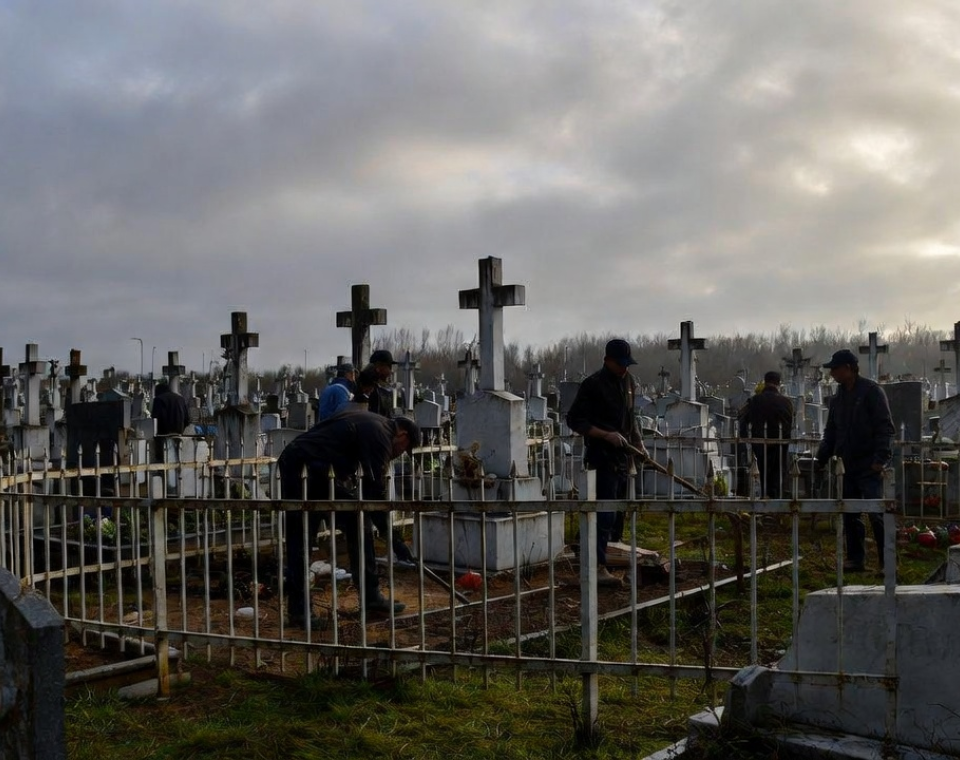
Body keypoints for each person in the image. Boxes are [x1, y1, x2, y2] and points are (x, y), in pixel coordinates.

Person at [277, 409, 421, 625]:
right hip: (302, 466)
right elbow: (375, 492)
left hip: (320, 469)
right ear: (403, 436)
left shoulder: (376, 427)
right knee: (302, 536)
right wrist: (394, 538)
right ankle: (299, 612)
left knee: (357, 520)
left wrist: (390, 535)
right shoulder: (380, 434)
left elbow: (370, 492)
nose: (398, 454)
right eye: (403, 450)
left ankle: (371, 596)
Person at [565, 339, 647, 587]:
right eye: (620, 364)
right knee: (604, 513)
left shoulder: (629, 382)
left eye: (627, 364)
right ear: (607, 361)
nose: (624, 369)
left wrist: (639, 444)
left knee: (617, 514)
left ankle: (605, 555)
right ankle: (596, 566)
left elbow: (631, 419)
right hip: (602, 457)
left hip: (624, 457)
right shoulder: (593, 385)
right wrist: (605, 435)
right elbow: (574, 420)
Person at [816, 349, 895, 572]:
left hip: (869, 462)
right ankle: (855, 558)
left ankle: (886, 561)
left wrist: (880, 459)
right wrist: (821, 457)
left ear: (848, 368)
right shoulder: (838, 398)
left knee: (876, 513)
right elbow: (831, 431)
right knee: (850, 512)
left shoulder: (871, 391)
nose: (832, 373)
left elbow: (884, 427)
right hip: (846, 463)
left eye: (835, 368)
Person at [737, 371, 794, 498]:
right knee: (776, 482)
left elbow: (741, 419)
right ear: (778, 384)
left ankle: (761, 510)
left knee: (760, 479)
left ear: (765, 382)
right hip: (780, 449)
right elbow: (789, 426)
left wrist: (746, 439)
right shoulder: (787, 403)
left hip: (759, 447)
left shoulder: (754, 401)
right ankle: (775, 512)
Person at [151, 382, 190, 460]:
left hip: (163, 435)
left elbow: (154, 417)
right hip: (179, 434)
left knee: (163, 459)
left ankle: (161, 471)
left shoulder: (158, 399)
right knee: (178, 457)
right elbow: (187, 419)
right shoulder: (181, 399)